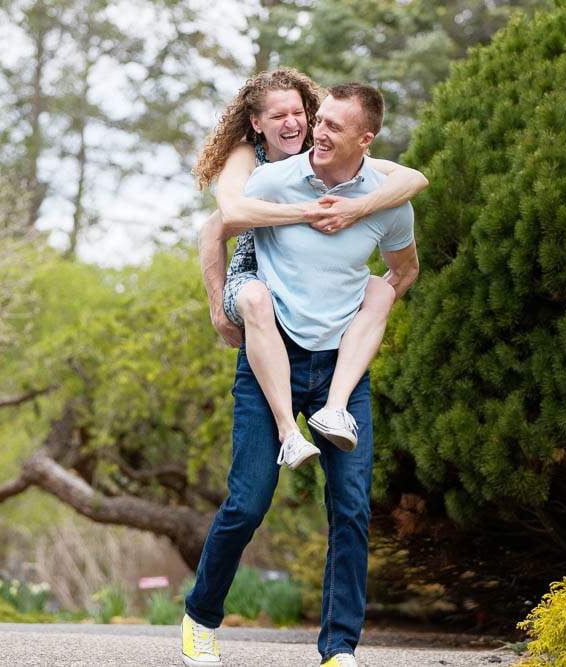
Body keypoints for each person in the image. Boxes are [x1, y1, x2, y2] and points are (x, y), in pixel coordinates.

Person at [182, 82, 420, 667]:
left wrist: (368, 308)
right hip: (272, 364)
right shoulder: (268, 180)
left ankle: (339, 649)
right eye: (315, 121)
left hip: (340, 370)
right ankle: (200, 618)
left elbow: (403, 268)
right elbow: (221, 222)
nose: (315, 130)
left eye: (326, 123)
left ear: (363, 139)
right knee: (247, 501)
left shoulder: (386, 197)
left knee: (351, 509)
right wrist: (219, 306)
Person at [194, 68, 427, 471]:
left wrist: (355, 208)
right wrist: (218, 307)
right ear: (256, 123)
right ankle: (288, 432)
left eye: (300, 113)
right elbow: (221, 221)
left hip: (311, 291)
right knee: (255, 297)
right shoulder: (251, 159)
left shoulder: (331, 155)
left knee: (378, 291)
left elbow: (413, 178)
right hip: (253, 274)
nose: (293, 124)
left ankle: (333, 408)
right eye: (278, 116)